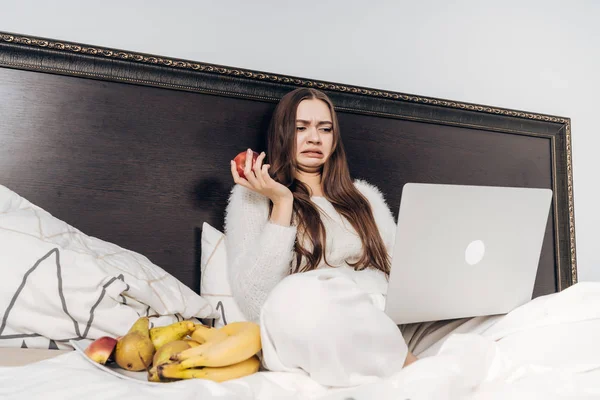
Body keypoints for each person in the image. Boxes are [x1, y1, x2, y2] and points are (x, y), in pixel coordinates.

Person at [224, 87, 418, 387]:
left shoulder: (364, 196)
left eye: (324, 129)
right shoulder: (253, 195)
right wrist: (282, 203)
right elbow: (255, 298)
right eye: (301, 128)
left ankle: (403, 357)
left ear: (334, 138)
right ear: (281, 134)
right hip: (314, 323)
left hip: (382, 318)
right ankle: (413, 370)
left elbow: (399, 274)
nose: (314, 138)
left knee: (502, 318)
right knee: (301, 290)